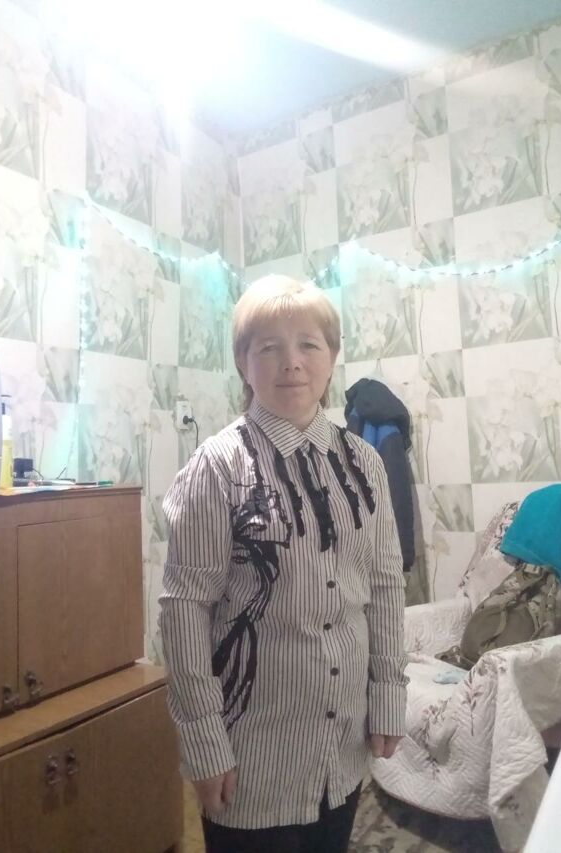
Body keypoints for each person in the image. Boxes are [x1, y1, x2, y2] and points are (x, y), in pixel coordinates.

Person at [159, 274, 407, 853]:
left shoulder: (365, 464)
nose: (291, 362)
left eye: (308, 344)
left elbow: (385, 585)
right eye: (268, 347)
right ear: (243, 364)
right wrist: (204, 743)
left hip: (341, 746)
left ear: (332, 357)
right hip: (252, 752)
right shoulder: (217, 467)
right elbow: (185, 611)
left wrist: (388, 697)